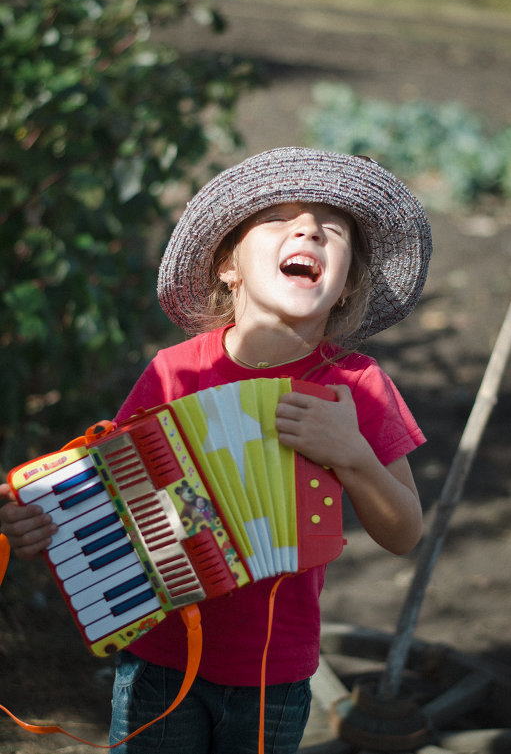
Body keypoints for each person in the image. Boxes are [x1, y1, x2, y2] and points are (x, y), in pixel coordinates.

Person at [0, 147, 432, 753]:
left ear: (345, 287)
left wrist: (353, 455)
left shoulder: (356, 385)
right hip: (157, 657)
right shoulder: (174, 372)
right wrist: (40, 522)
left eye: (332, 230)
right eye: (279, 219)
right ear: (229, 265)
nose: (308, 228)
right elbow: (108, 495)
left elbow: (405, 532)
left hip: (272, 672)